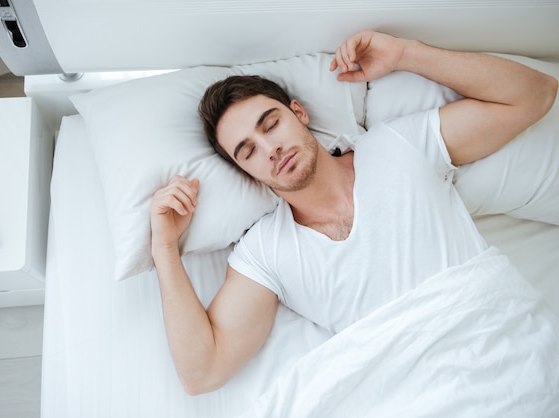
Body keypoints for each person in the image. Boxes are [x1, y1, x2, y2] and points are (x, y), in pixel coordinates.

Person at [150, 30, 557, 395]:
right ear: (247, 174)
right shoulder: (265, 251)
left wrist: (406, 54)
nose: (269, 148)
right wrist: (165, 247)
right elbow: (201, 374)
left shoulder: (400, 144)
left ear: (299, 113)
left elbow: (535, 94)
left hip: (512, 354)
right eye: (249, 151)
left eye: (270, 124)